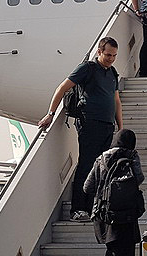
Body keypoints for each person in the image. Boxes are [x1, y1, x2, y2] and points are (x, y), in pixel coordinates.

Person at [37, 37, 123, 221]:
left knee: (102, 168)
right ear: (99, 52)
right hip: (89, 123)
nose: (111, 59)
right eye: (108, 55)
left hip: (107, 126)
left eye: (114, 56)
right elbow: (62, 87)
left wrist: (120, 127)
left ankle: (94, 207)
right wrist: (50, 113)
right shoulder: (87, 69)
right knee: (86, 165)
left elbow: (116, 101)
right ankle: (77, 208)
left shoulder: (113, 72)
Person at [84, 128, 144, 256]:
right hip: (125, 217)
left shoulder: (101, 158)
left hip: (104, 218)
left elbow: (87, 187)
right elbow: (139, 178)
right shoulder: (131, 156)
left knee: (116, 249)